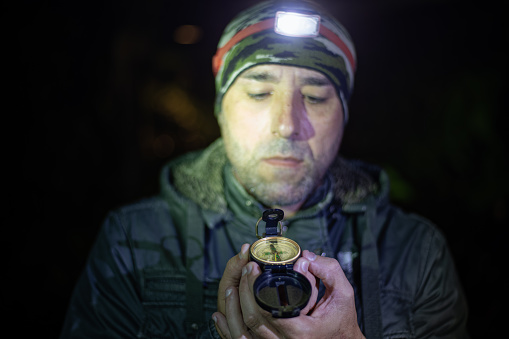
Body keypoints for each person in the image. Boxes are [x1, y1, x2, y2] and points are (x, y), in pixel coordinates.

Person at [60, 0, 469, 338]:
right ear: (221, 109)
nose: (287, 123)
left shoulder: (417, 252)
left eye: (314, 96)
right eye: (259, 92)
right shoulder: (130, 241)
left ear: (344, 116)